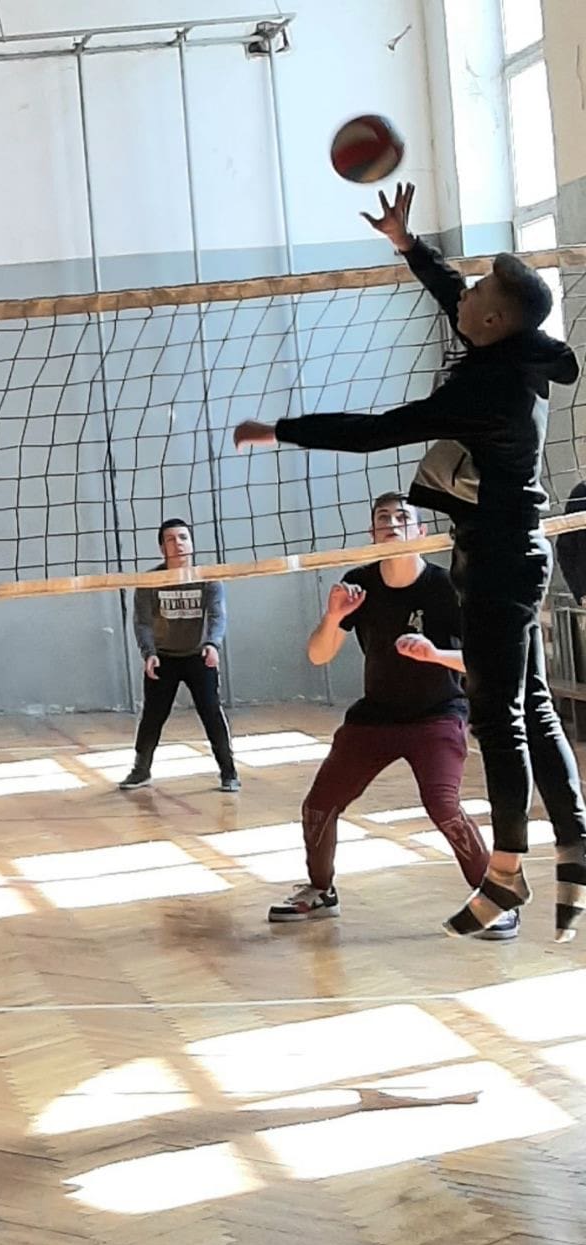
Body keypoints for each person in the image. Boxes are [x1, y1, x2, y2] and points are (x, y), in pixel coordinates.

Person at [235, 182, 586, 941]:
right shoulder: (521, 349)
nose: (465, 293)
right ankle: (575, 846)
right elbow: (456, 295)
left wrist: (280, 430)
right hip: (513, 551)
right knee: (532, 707)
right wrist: (408, 245)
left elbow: (376, 432)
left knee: (502, 720)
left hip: (497, 561)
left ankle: (505, 873)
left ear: (492, 322)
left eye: (479, 292)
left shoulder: (485, 390)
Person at [269, 494, 512, 936]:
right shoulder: (358, 584)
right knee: (318, 806)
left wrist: (435, 654)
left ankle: (495, 898)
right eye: (384, 518)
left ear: (421, 532)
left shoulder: (447, 587)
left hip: (437, 715)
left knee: (442, 804)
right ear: (372, 533)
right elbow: (318, 655)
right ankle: (321, 891)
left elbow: (485, 661)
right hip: (375, 718)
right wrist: (333, 617)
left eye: (403, 517)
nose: (393, 524)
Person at [118, 518, 240, 793]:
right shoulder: (150, 581)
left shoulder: (207, 579)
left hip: (199, 656)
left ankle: (229, 771)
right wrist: (148, 653)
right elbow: (142, 623)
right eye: (171, 539)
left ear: (192, 543)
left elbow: (218, 615)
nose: (179, 544)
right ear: (163, 548)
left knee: (211, 712)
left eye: (183, 537)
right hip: (163, 658)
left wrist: (213, 644)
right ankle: (141, 770)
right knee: (152, 716)